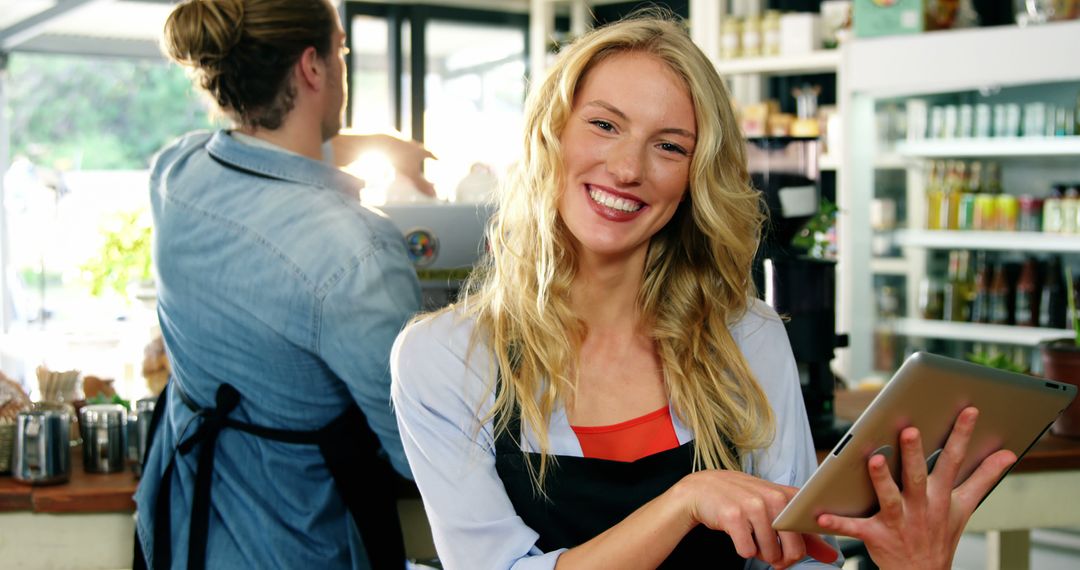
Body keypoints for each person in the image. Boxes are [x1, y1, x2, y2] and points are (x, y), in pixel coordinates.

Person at [389, 13, 1017, 570]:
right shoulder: (448, 357)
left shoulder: (748, 338)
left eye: (669, 146)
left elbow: (795, 564)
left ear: (695, 179)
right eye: (605, 125)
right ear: (550, 134)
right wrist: (685, 503)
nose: (629, 168)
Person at [133, 1, 432, 568]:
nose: (344, 66)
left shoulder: (177, 172)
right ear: (313, 67)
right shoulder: (357, 252)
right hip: (293, 546)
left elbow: (264, 161)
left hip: (177, 528)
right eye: (341, 50)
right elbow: (417, 454)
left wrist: (373, 145)